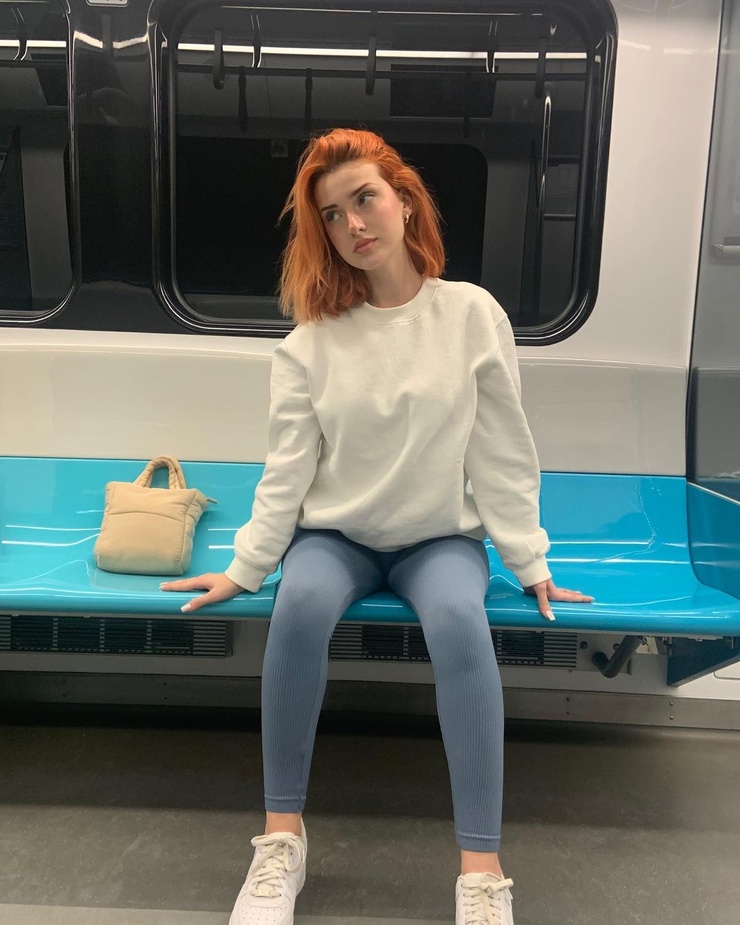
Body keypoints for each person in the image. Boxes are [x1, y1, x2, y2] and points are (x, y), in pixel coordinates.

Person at [162, 128, 593, 925]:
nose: (352, 223)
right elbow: (288, 470)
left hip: (438, 539)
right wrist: (246, 565)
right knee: (298, 604)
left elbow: (500, 448)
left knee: (460, 618)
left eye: (364, 199)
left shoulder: (470, 315)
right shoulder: (310, 344)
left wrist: (529, 558)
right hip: (339, 537)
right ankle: (281, 839)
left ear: (405, 200)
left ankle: (482, 872)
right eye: (332, 214)